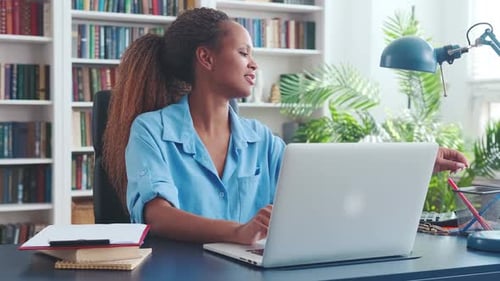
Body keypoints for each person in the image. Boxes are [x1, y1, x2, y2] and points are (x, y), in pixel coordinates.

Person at [103, 8, 468, 245]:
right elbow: (158, 215)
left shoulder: (260, 138)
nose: (254, 65)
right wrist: (239, 232)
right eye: (244, 52)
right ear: (206, 58)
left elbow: (327, 182)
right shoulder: (150, 130)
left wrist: (418, 162)